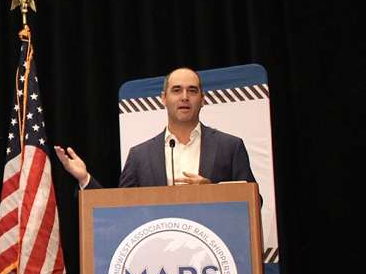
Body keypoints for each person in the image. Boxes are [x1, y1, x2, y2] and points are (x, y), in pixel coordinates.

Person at [54, 67, 257, 189]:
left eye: (192, 91)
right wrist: (85, 179)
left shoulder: (230, 147)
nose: (184, 97)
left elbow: (254, 201)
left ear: (202, 99)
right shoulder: (140, 156)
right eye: (177, 90)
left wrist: (212, 191)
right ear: (163, 99)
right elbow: (120, 209)